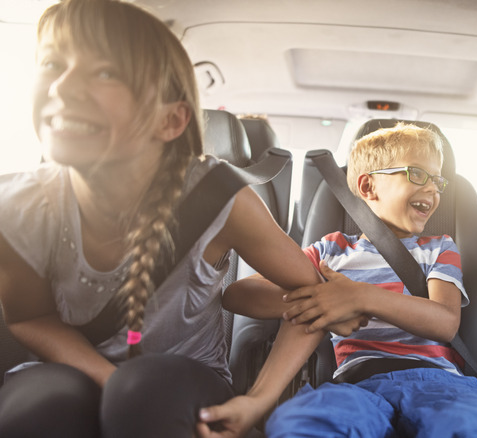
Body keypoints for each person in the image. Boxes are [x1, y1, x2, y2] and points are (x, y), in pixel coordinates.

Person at [0, 1, 356, 437]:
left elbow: (312, 298)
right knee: (39, 408)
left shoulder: (219, 201)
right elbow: (29, 317)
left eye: (106, 72)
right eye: (53, 62)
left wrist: (257, 401)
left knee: (142, 391)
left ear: (170, 120)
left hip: (185, 378)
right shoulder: (16, 206)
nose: (63, 85)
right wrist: (108, 379)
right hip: (70, 366)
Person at [228, 122, 477, 437]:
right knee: (300, 422)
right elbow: (237, 295)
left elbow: (445, 322)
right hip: (356, 385)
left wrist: (361, 296)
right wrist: (322, 296)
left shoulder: (439, 249)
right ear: (367, 187)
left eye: (438, 181)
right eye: (417, 174)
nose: (432, 188)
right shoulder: (330, 251)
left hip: (440, 384)